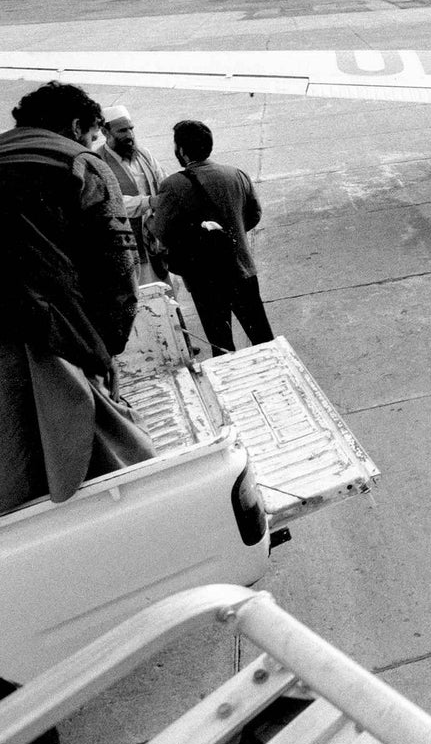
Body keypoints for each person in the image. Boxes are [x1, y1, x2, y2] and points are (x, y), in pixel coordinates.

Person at [0, 81, 154, 516]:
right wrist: (105, 349)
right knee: (101, 460)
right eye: (91, 134)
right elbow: (118, 270)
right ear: (75, 125)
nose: (93, 143)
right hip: (46, 336)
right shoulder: (79, 163)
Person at [151, 119, 274, 356]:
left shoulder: (172, 185)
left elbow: (162, 233)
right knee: (262, 336)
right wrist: (230, 234)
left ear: (182, 152)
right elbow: (254, 214)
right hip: (242, 269)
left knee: (221, 345)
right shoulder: (236, 174)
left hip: (203, 278)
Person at [97, 104, 170, 285]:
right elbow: (113, 204)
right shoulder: (98, 162)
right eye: (122, 131)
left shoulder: (143, 154)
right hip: (129, 248)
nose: (130, 135)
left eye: (131, 129)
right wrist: (150, 202)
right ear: (106, 132)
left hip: (155, 242)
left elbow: (164, 182)